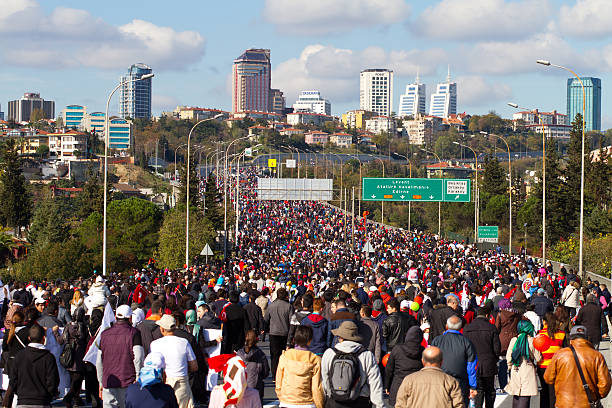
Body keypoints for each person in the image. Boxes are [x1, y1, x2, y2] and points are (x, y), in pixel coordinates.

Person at [321, 321, 385, 408]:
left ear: (340, 337)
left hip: (334, 401)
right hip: (360, 401)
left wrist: (328, 395)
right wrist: (379, 405)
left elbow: (325, 378)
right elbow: (375, 382)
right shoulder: (366, 355)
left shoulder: (329, 353)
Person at [544, 325, 612, 408]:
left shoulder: (560, 354)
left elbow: (548, 378)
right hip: (587, 403)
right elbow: (605, 384)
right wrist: (595, 396)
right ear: (586, 339)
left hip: (564, 403)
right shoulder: (597, 356)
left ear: (570, 340)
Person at [97, 305, 144, 408]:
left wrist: (100, 381)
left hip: (108, 381)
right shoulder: (134, 333)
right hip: (128, 380)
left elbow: (99, 361)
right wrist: (138, 376)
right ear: (130, 318)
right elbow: (138, 357)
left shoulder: (105, 334)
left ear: (115, 316)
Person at [150, 314, 198, 408]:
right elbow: (194, 366)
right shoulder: (184, 342)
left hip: (163, 382)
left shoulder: (155, 344)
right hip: (182, 381)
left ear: (162, 329)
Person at [430, 315, 478, 406]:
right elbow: (471, 366)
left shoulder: (437, 341)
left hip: (440, 381)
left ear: (447, 326)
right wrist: (473, 386)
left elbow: (430, 361)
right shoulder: (466, 342)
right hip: (460, 382)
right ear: (460, 327)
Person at [9, 324, 60, 408]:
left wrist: (20, 393)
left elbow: (13, 380)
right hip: (42, 401)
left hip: (23, 400)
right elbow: (53, 381)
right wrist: (50, 395)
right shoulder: (48, 357)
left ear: (29, 338)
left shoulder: (20, 355)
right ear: (44, 338)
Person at [394, 346, 463, 408]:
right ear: (441, 362)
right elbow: (458, 405)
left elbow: (400, 404)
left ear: (423, 361)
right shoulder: (450, 381)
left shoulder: (409, 380)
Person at [276, 325, 324, 408]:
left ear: (294, 339)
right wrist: (320, 405)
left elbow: (279, 381)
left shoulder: (285, 356)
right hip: (306, 402)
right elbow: (316, 387)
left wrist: (281, 397)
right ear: (310, 341)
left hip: (286, 402)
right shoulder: (315, 360)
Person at [463, 305, 501, 408]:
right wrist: (495, 359)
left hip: (473, 363)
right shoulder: (491, 328)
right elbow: (497, 348)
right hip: (488, 362)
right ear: (487, 315)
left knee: (478, 390)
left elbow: (465, 347)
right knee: (490, 391)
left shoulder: (467, 328)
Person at [504, 320, 541, 408]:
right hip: (528, 369)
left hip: (515, 369)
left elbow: (508, 357)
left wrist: (510, 367)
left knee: (516, 395)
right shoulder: (532, 341)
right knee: (525, 396)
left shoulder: (514, 340)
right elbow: (538, 358)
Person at [384, 326, 424, 406]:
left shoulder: (397, 349)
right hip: (416, 388)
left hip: (398, 386)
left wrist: (387, 385)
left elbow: (389, 369)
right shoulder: (422, 351)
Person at [62, 307, 88, 408]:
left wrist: (69, 344)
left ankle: (76, 399)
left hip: (70, 353)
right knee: (78, 379)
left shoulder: (68, 325)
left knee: (74, 378)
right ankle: (70, 397)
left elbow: (64, 338)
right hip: (79, 354)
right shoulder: (83, 326)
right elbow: (83, 337)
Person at [264, 288, 292, 378]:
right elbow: (291, 320)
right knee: (284, 355)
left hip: (273, 332)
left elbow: (266, 319)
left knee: (274, 355)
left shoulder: (271, 306)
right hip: (285, 332)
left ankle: (274, 374)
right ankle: (283, 373)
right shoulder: (288, 306)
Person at [237, 330, 269, 403]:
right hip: (256, 386)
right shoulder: (261, 354)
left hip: (241, 387)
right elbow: (265, 372)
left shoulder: (239, 354)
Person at [495, 298, 521, 390]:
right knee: (514, 362)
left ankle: (503, 385)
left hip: (502, 340)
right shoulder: (517, 314)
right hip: (514, 339)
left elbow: (497, 328)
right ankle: (513, 383)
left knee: (503, 363)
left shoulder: (500, 315)